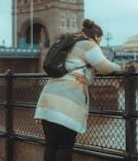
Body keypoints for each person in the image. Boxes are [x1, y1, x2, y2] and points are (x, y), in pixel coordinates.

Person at [34, 19, 123, 161]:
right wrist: (121, 68)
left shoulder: (70, 42)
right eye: (99, 41)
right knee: (65, 146)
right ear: (96, 36)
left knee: (51, 145)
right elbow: (104, 66)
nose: (99, 45)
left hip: (49, 96)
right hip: (66, 101)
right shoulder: (88, 44)